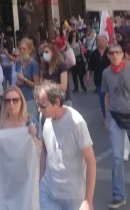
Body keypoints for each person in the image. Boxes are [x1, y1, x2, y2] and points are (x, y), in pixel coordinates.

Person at [102, 44, 130, 208]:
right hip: (115, 117)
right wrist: (107, 118)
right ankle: (119, 195)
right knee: (117, 156)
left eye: (118, 52)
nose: (115, 55)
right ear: (108, 56)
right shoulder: (106, 73)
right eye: (111, 53)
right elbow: (107, 96)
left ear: (123, 54)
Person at [37, 82, 96, 210]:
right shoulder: (44, 118)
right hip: (48, 193)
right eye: (38, 105)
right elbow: (44, 151)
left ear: (57, 102)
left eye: (43, 106)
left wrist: (88, 200)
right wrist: (40, 180)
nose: (39, 110)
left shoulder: (77, 123)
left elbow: (91, 161)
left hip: (73, 197)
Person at [14, 38, 41, 132]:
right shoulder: (18, 63)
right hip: (19, 96)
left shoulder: (33, 64)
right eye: (20, 49)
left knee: (32, 122)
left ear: (30, 50)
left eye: (24, 49)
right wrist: (17, 81)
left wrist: (24, 80)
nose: (21, 51)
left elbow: (36, 85)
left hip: (30, 97)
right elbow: (16, 77)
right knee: (21, 123)